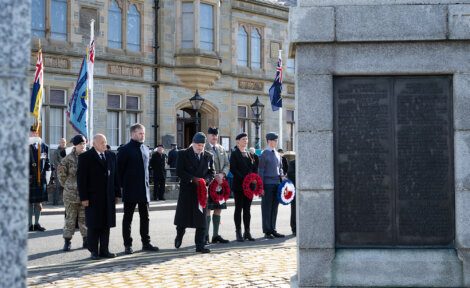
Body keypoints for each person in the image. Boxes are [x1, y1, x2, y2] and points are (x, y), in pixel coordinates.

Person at [77, 134, 120, 260]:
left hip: (108, 196)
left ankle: (104, 250)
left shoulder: (111, 155)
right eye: (102, 142)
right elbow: (81, 179)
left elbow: (115, 176)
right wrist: (84, 197)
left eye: (105, 142)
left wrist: (117, 193)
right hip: (92, 197)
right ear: (94, 143)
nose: (104, 145)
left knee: (106, 224)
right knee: (94, 225)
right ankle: (94, 251)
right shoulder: (85, 157)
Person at [118, 123, 159, 254]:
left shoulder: (146, 149)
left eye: (144, 133)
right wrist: (120, 190)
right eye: (140, 133)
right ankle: (127, 245)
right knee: (128, 218)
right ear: (133, 133)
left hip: (144, 190)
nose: (143, 136)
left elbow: (147, 170)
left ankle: (146, 243)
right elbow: (119, 172)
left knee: (145, 218)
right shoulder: (124, 150)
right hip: (130, 189)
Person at [174, 132, 215, 253]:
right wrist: (192, 179)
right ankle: (179, 236)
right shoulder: (183, 154)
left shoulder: (208, 156)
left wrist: (205, 181)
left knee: (201, 219)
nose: (200, 147)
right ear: (192, 143)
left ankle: (200, 245)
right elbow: (179, 171)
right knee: (183, 218)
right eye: (198, 145)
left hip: (201, 192)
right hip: (187, 190)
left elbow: (211, 172)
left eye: (202, 145)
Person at [57, 134, 88, 251]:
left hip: (84, 194)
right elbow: (61, 175)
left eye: (84, 143)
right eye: (80, 143)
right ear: (75, 145)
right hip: (70, 195)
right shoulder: (67, 159)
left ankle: (86, 240)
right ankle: (67, 241)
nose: (83, 145)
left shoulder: (88, 157)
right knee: (70, 219)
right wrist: (69, 186)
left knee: (84, 219)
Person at [230, 133, 259, 242]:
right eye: (243, 139)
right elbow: (233, 169)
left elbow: (254, 168)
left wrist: (253, 178)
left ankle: (247, 232)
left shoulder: (249, 154)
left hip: (249, 187)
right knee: (239, 208)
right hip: (239, 185)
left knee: (247, 209)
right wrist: (244, 179)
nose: (246, 141)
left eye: (246, 139)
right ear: (237, 141)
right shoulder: (234, 154)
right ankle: (238, 232)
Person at [204, 127, 230, 244]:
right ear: (208, 136)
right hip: (209, 182)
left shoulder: (221, 148)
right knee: (208, 209)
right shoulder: (204, 148)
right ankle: (205, 236)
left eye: (216, 135)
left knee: (218, 208)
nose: (214, 137)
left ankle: (215, 235)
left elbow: (227, 164)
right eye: (212, 135)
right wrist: (215, 176)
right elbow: (204, 165)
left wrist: (223, 174)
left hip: (220, 183)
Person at [258, 132, 285, 239]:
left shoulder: (278, 154)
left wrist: (282, 176)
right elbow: (261, 171)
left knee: (274, 208)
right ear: (269, 141)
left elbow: (281, 168)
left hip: (277, 184)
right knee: (266, 208)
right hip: (267, 184)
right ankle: (267, 231)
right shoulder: (264, 154)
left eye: (276, 140)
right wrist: (261, 187)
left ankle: (273, 229)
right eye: (274, 140)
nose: (276, 142)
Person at [28, 125, 52, 232]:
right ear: (29, 133)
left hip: (40, 177)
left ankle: (37, 223)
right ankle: (29, 224)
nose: (35, 134)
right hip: (28, 178)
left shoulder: (44, 146)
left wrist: (48, 175)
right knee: (28, 202)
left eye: (37, 133)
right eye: (33, 133)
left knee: (38, 202)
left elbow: (47, 162)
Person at [50, 138, 66, 205]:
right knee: (57, 187)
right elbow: (55, 161)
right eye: (62, 142)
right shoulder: (56, 151)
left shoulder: (68, 151)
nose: (63, 143)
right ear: (59, 143)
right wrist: (61, 166)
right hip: (58, 171)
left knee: (66, 187)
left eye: (64, 142)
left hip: (67, 171)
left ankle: (65, 202)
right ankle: (55, 202)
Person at [287, 159, 296, 236]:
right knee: (294, 209)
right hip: (295, 189)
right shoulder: (292, 163)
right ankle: (294, 228)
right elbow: (290, 174)